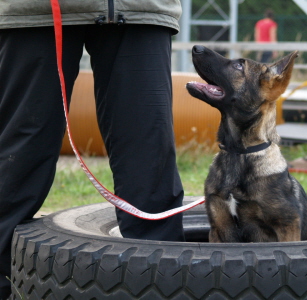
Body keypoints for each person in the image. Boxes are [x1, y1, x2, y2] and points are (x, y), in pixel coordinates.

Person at [0, 1, 185, 299]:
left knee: (149, 155)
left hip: (139, 9)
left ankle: (162, 287)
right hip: (36, 11)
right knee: (19, 155)